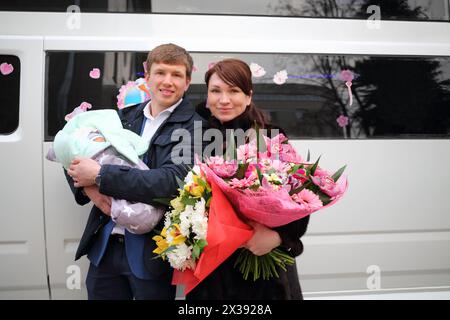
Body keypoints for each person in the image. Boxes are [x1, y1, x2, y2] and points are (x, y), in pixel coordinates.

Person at [66, 43, 208, 300]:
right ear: (147, 75)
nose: (168, 81)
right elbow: (73, 153)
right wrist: (90, 189)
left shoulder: (195, 128)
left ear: (187, 82)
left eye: (176, 75)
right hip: (105, 247)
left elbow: (172, 181)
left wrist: (101, 176)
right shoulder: (121, 118)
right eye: (161, 72)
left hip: (151, 254)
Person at [188, 58, 309, 300]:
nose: (224, 99)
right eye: (216, 91)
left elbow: (300, 200)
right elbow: (184, 199)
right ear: (207, 95)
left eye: (234, 91)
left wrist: (278, 237)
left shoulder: (269, 136)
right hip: (212, 273)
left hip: (262, 272)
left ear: (248, 96)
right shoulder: (195, 138)